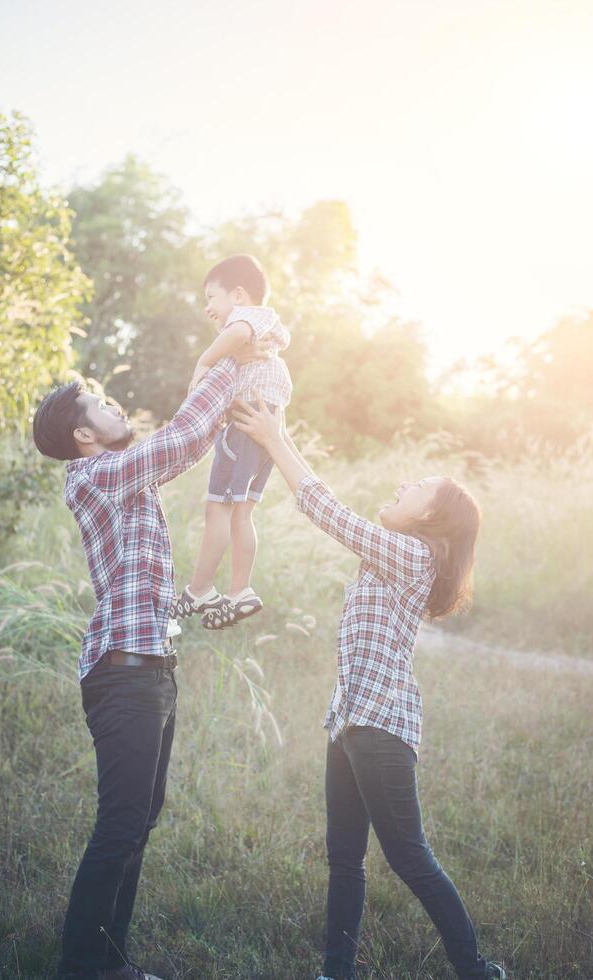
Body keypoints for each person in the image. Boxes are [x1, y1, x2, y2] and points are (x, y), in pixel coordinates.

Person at [232, 399, 507, 980]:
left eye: (417, 487)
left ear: (430, 518)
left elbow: (330, 513)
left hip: (381, 726)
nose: (402, 484)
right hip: (351, 721)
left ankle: (476, 970)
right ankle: (337, 972)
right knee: (344, 860)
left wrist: (277, 440)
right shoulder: (397, 554)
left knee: (409, 856)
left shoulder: (411, 556)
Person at [32, 347, 264, 980]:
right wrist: (228, 365)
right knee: (123, 821)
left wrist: (194, 602)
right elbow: (185, 440)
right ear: (84, 435)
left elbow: (145, 576)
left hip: (152, 668)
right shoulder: (93, 475)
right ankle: (84, 967)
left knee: (139, 820)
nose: (114, 406)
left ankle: (110, 962)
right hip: (125, 672)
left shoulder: (123, 479)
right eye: (101, 404)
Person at [171, 254, 292, 630]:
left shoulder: (247, 319)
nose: (208, 308)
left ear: (239, 295)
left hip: (243, 427)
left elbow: (236, 335)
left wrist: (202, 362)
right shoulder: (267, 325)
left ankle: (200, 589)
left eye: (211, 297)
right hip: (268, 425)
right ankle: (240, 590)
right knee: (242, 512)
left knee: (217, 511)